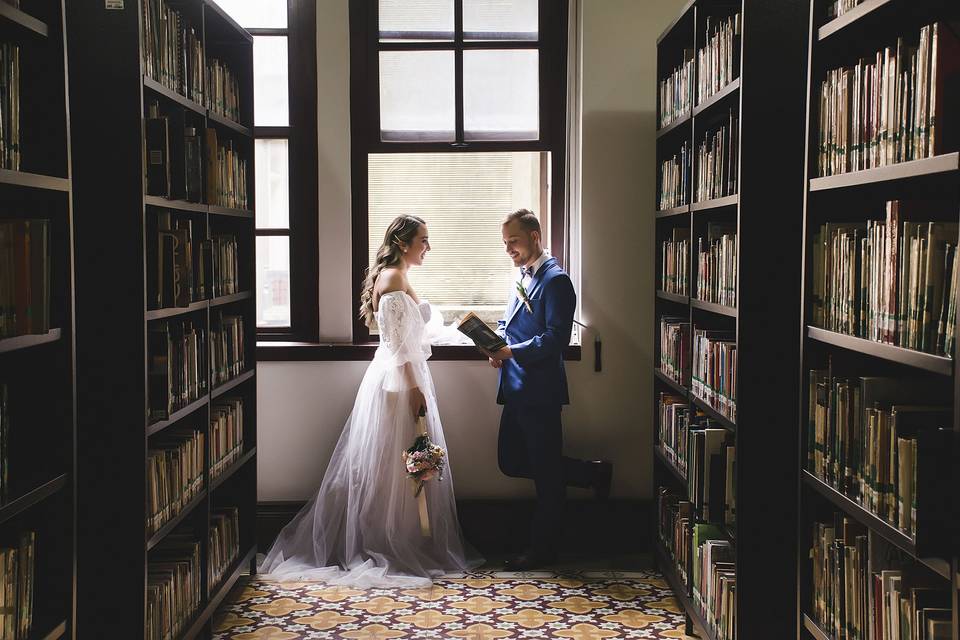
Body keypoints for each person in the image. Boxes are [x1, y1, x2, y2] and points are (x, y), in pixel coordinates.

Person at [259, 215, 482, 587]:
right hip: (399, 382)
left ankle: (401, 537)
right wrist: (414, 392)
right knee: (396, 464)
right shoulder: (394, 279)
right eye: (423, 240)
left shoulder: (395, 277)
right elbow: (399, 347)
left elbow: (412, 335)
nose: (428, 247)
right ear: (402, 242)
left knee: (393, 468)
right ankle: (388, 542)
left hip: (402, 376)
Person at [485, 209, 613, 571]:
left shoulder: (556, 281)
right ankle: (592, 474)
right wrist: (495, 344)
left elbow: (556, 339)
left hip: (539, 390)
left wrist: (513, 352)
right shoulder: (524, 276)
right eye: (505, 243)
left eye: (514, 241)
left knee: (546, 476)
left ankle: (543, 551)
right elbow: (511, 322)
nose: (508, 249)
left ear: (535, 236)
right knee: (511, 460)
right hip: (514, 386)